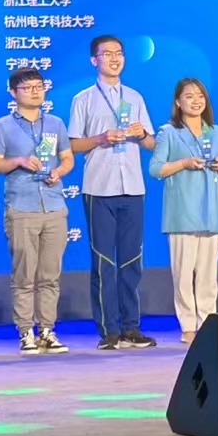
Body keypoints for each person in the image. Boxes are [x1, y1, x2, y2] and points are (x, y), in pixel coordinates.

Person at [69, 35, 158, 350]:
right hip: (99, 188)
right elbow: (73, 144)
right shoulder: (83, 99)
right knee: (104, 261)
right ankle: (109, 330)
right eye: (107, 54)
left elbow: (151, 143)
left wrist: (142, 133)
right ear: (94, 60)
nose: (115, 58)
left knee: (131, 260)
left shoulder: (134, 97)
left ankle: (132, 328)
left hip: (132, 187)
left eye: (119, 53)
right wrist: (101, 138)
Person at [0, 68, 75, 355]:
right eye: (28, 88)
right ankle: (25, 331)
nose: (36, 92)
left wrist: (59, 172)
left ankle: (47, 331)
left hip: (54, 205)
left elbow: (67, 158)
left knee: (50, 275)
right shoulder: (2, 126)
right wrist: (20, 161)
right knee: (24, 275)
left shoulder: (56, 123)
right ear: (14, 93)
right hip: (22, 207)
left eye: (39, 86)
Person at [150, 78, 218, 342]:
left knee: (209, 275)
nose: (196, 101)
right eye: (189, 96)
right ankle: (187, 325)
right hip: (182, 212)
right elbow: (156, 169)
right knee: (184, 274)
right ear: (178, 102)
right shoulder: (168, 132)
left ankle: (207, 323)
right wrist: (184, 163)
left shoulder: (216, 132)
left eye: (200, 96)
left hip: (212, 211)